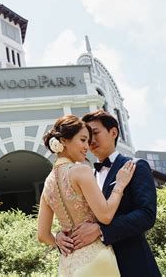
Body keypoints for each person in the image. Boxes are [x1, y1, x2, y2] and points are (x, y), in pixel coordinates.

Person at [55, 110, 161, 277]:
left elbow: (146, 215)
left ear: (113, 132)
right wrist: (61, 235)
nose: (91, 140)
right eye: (87, 136)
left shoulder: (135, 166)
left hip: (132, 263)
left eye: (95, 133)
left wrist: (101, 230)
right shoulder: (85, 175)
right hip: (95, 266)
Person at [37, 114, 136, 276]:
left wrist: (58, 239)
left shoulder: (47, 183)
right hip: (96, 259)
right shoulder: (81, 170)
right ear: (63, 141)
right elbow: (105, 216)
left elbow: (42, 235)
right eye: (82, 140)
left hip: (68, 265)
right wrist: (120, 185)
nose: (87, 146)